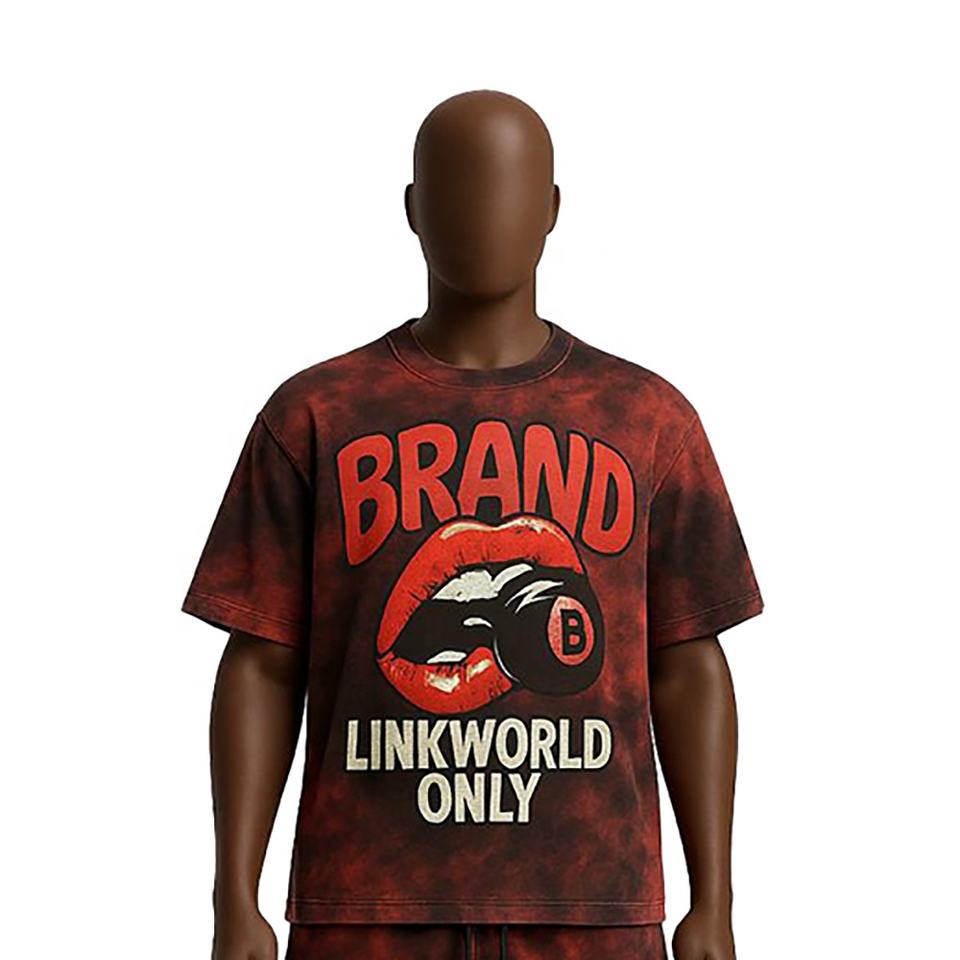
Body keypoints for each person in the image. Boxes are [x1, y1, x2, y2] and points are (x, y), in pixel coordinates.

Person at [183, 89, 763, 960]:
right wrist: (234, 898)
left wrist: (714, 901)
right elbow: (262, 660)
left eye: (510, 186)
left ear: (552, 209)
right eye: (456, 187)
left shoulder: (647, 420)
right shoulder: (315, 414)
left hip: (592, 913)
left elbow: (687, 661)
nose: (484, 210)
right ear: (413, 209)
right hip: (366, 912)